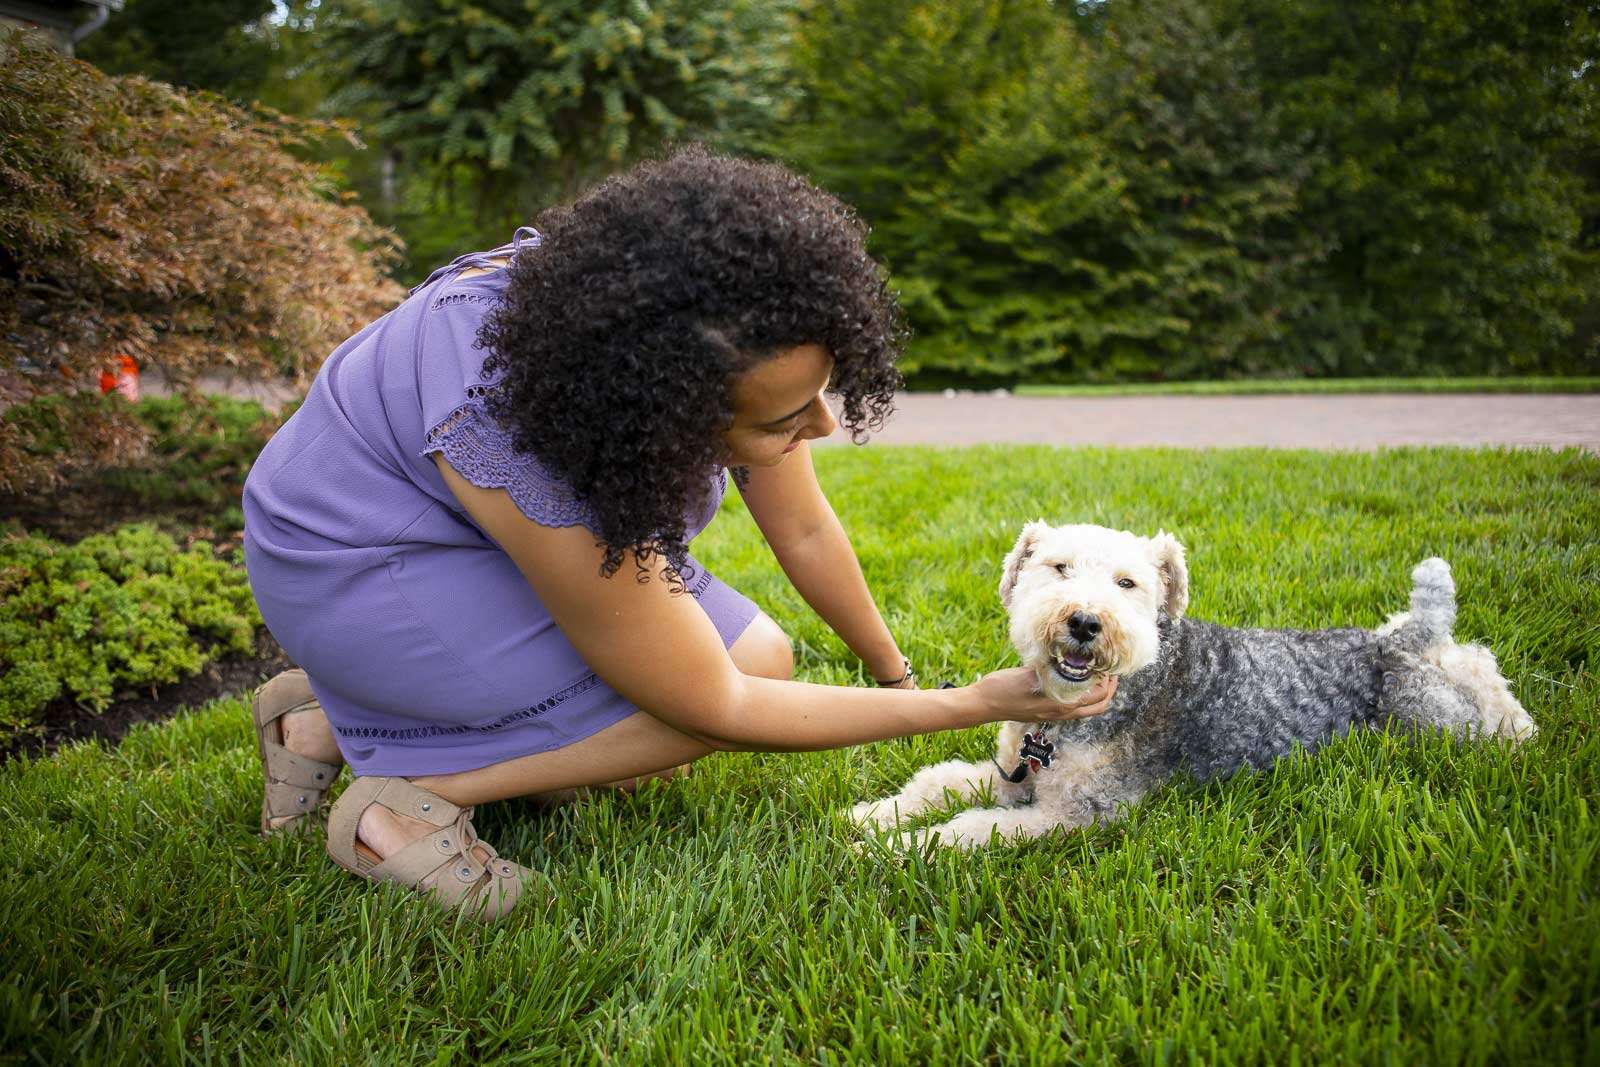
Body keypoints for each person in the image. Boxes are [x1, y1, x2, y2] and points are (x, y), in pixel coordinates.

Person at [242, 146, 1116, 922]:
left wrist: (896, 673)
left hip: (472, 541)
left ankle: (326, 725)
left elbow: (804, 527)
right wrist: (972, 705)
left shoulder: (708, 325)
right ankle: (409, 792)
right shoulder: (524, 420)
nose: (820, 424)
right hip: (363, 569)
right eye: (788, 413)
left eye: (824, 392)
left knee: (763, 655)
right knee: (699, 701)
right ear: (665, 410)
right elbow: (716, 708)